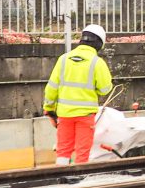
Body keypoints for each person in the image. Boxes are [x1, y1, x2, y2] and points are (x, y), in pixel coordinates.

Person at [43, 24, 113, 165]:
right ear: (99, 44)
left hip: (64, 115)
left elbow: (51, 88)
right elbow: (105, 89)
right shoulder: (97, 63)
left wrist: (49, 109)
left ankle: (60, 179)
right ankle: (80, 181)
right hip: (85, 117)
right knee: (82, 152)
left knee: (63, 151)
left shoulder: (63, 59)